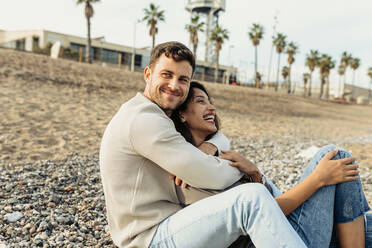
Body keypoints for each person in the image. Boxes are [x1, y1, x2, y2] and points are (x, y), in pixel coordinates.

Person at [100, 41, 309, 248]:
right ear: (148, 74)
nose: (174, 85)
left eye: (183, 79)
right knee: (251, 198)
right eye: (166, 75)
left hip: (173, 222)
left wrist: (212, 147)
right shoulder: (143, 119)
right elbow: (214, 176)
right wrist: (248, 168)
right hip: (147, 237)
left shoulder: (159, 115)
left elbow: (216, 134)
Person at [169, 80, 372, 247]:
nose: (211, 107)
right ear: (182, 114)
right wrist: (318, 179)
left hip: (286, 224)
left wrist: (256, 175)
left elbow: (268, 199)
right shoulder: (190, 173)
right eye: (201, 101)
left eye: (210, 101)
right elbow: (261, 215)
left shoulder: (219, 154)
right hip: (277, 238)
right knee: (334, 155)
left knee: (367, 225)